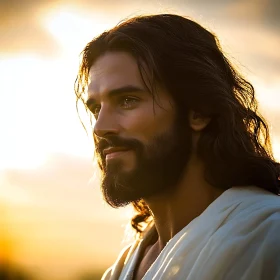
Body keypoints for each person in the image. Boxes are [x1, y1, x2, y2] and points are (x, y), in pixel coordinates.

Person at [74, 14, 280, 280]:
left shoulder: (265, 237)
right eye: (96, 108)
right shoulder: (123, 268)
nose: (100, 127)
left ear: (199, 111)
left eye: (127, 100)